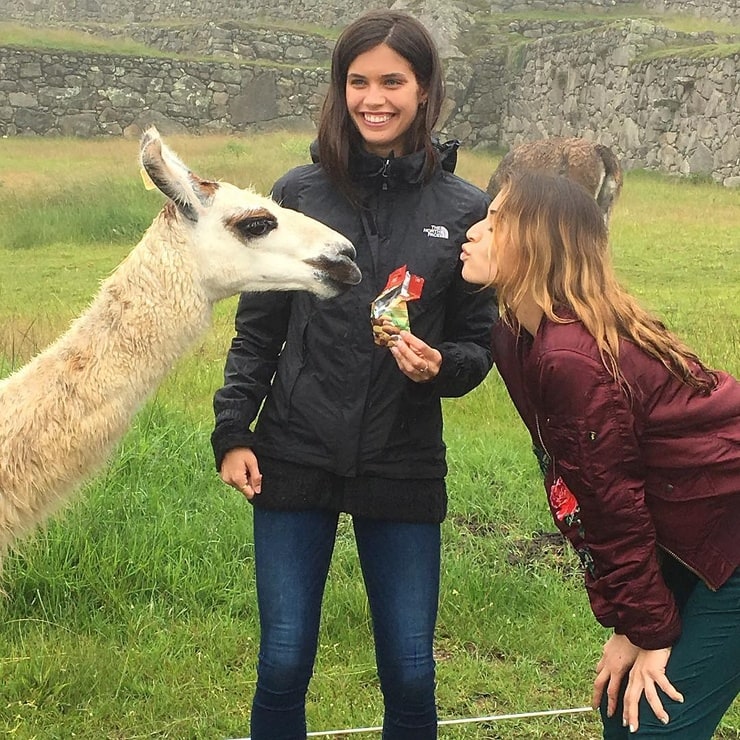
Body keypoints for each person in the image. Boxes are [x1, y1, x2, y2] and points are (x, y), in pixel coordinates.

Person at [211, 10, 495, 739]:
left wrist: (441, 367)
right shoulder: (298, 192)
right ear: (340, 90)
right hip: (293, 451)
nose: (374, 98)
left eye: (392, 81)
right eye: (358, 81)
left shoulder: (465, 209)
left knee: (409, 669)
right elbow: (258, 330)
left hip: (401, 460)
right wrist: (233, 429)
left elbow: (477, 343)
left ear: (425, 89)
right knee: (281, 661)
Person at [460, 170, 740, 739]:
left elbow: (612, 508)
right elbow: (577, 489)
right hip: (692, 530)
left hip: (728, 534)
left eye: (495, 222)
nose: (473, 230)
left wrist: (649, 633)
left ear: (538, 242)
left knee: (658, 727)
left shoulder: (570, 357)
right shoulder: (515, 334)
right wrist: (628, 623)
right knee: (623, 711)